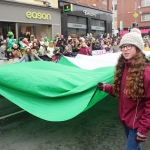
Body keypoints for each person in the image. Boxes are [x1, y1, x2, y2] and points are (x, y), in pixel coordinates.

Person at [98, 28, 150, 150]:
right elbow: (120, 92)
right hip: (125, 119)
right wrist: (106, 87)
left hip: (137, 123)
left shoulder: (146, 72)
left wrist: (143, 128)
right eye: (123, 47)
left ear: (137, 48)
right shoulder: (123, 67)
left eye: (129, 46)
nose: (125, 49)